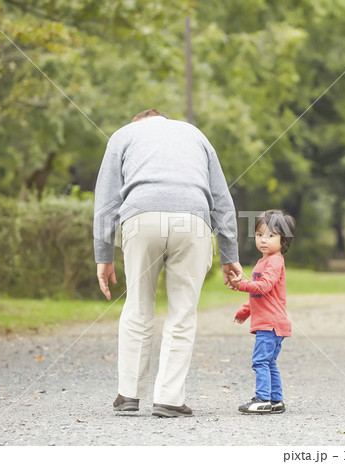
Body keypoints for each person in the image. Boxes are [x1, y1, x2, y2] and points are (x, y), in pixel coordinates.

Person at [93, 109, 242, 418]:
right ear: (163, 119)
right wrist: (230, 255)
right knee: (183, 311)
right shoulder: (195, 135)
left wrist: (103, 255)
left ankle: (129, 394)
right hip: (194, 220)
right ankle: (169, 399)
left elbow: (106, 201)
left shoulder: (123, 135)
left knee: (137, 305)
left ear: (138, 121)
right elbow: (222, 199)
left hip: (140, 218)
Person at [229, 209, 295, 414]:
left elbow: (264, 286)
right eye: (259, 235)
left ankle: (263, 398)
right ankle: (276, 400)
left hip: (271, 324)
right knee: (269, 362)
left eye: (270, 235)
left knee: (260, 361)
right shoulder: (263, 261)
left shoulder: (275, 261)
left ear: (283, 240)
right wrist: (245, 311)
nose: (263, 240)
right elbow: (260, 296)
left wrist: (242, 285)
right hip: (270, 323)